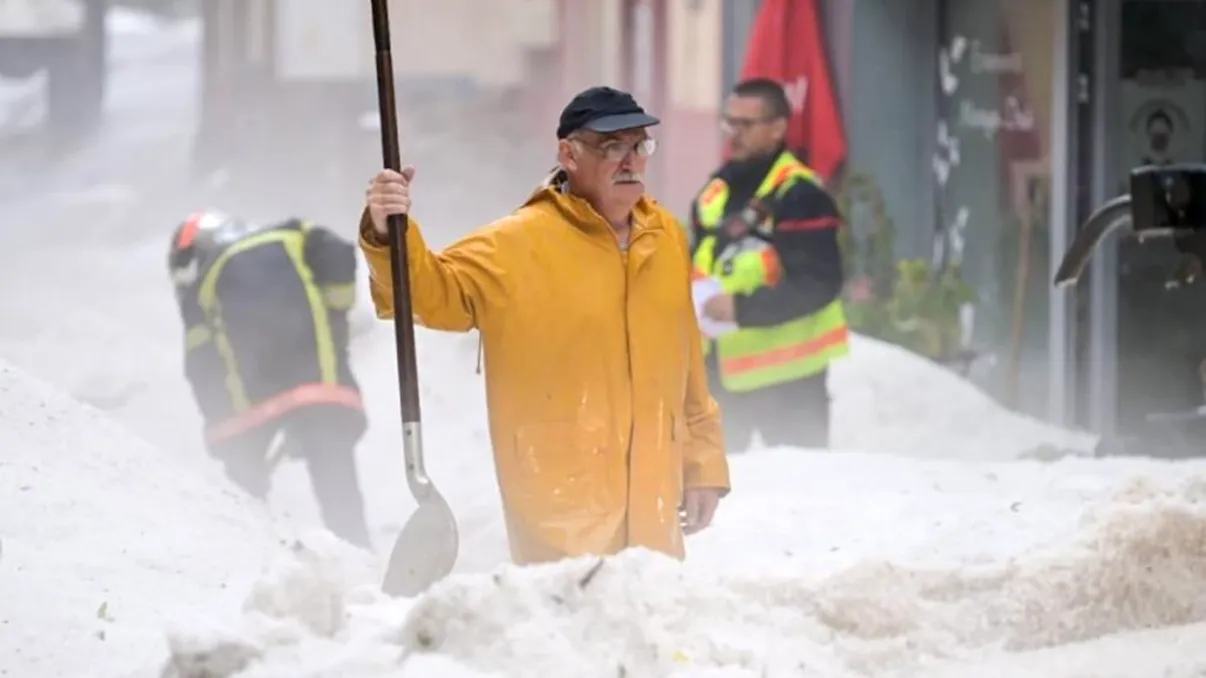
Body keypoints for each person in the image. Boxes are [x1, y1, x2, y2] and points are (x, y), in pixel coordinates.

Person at [360, 86, 730, 566]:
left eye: (639, 146)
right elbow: (429, 293)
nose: (630, 161)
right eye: (612, 147)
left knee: (647, 623)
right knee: (565, 629)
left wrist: (702, 466)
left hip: (654, 505)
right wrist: (387, 227)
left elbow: (688, 367)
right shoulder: (516, 245)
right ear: (568, 154)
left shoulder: (666, 239)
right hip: (560, 505)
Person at [167, 209, 373, 549]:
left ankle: (256, 553)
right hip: (323, 390)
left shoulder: (203, 286)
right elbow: (338, 256)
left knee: (245, 490)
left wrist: (226, 439)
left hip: (255, 412)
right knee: (337, 482)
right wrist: (336, 312)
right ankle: (360, 553)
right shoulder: (295, 235)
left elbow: (203, 369)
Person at [688, 77, 849, 452]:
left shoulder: (800, 196)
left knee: (799, 498)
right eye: (729, 122)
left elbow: (818, 284)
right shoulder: (716, 191)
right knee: (721, 494)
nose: (733, 134)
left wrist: (741, 308)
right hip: (721, 376)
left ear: (778, 128)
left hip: (789, 384)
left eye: (746, 125)